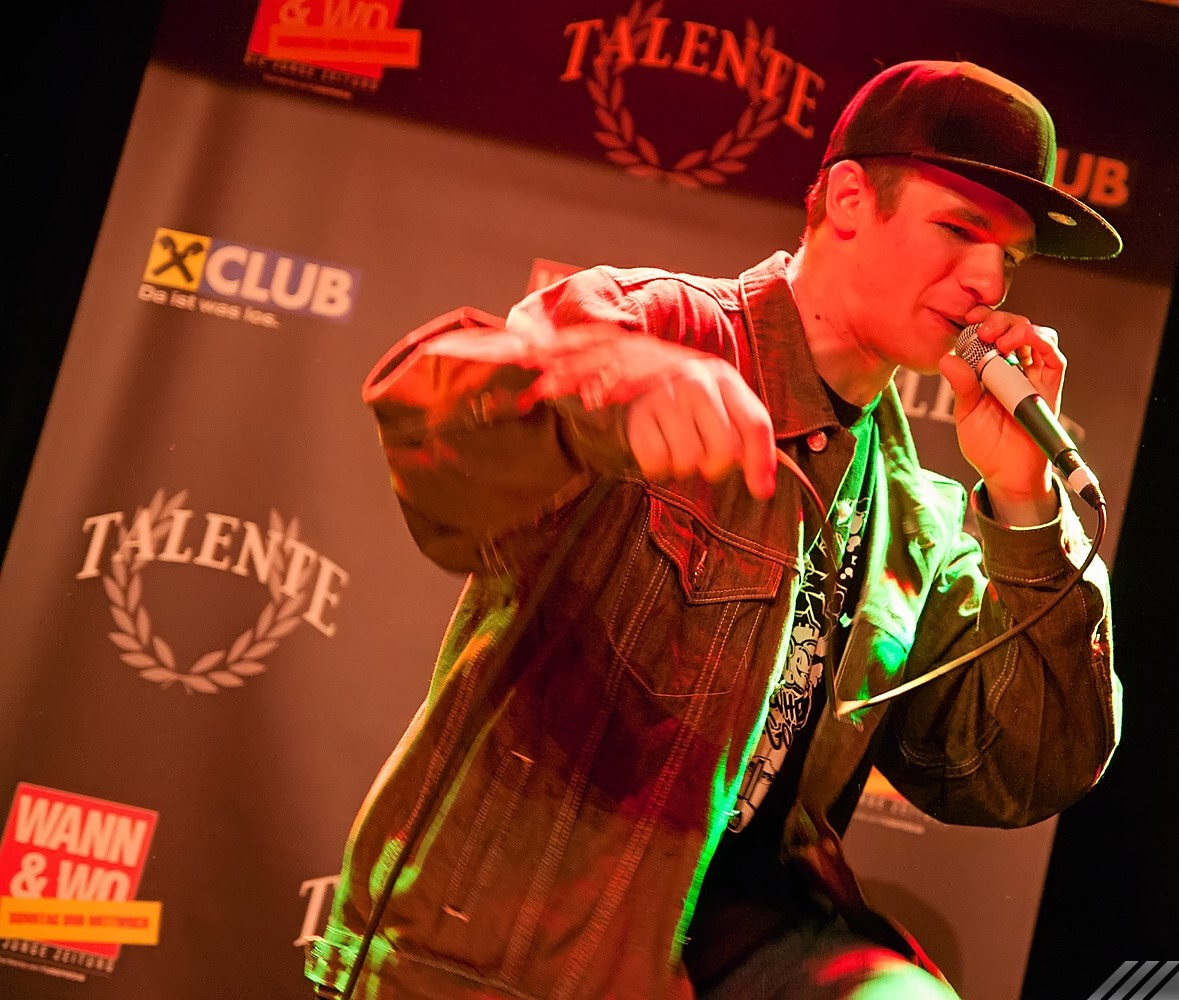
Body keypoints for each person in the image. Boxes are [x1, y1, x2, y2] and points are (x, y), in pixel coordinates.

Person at [305, 60, 1123, 1000]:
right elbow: (430, 427)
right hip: (516, 963)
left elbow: (1021, 771)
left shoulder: (916, 510)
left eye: (1011, 258)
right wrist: (606, 383)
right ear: (849, 201)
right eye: (961, 229)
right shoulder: (657, 327)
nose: (987, 280)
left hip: (738, 948)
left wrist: (1025, 502)